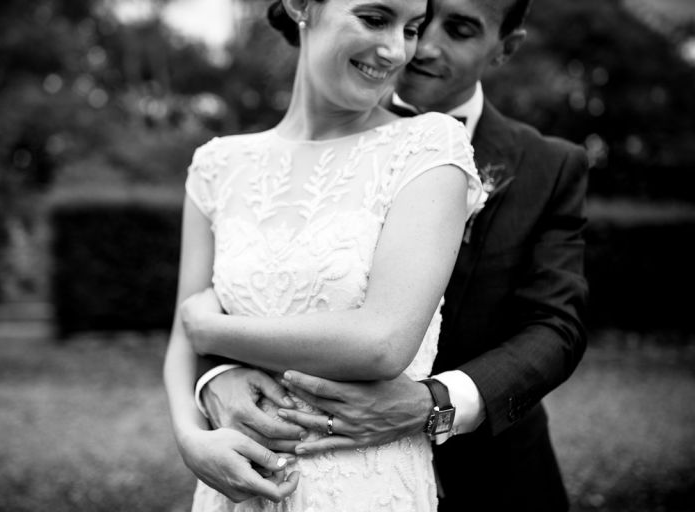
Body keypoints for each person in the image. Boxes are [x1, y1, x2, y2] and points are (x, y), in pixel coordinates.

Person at [195, 0, 590, 511]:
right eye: (420, 23)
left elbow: (557, 326)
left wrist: (436, 403)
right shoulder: (310, 138)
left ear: (504, 49)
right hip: (299, 472)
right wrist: (214, 376)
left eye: (460, 29)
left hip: (491, 474)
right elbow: (255, 281)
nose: (421, 46)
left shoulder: (549, 165)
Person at [164, 0, 485, 510]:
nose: (396, 49)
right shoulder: (217, 165)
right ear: (301, 6)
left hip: (369, 489)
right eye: (376, 18)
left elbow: (382, 342)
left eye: (412, 28)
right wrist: (191, 438)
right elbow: (180, 345)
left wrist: (212, 331)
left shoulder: (429, 146)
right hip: (234, 489)